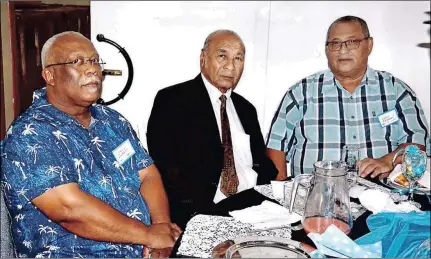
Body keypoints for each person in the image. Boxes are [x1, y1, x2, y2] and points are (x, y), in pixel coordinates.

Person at [0, 31, 181, 258]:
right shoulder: (28, 135)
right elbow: (70, 210)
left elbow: (147, 175)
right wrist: (148, 235)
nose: (92, 69)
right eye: (77, 61)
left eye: (95, 61)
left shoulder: (112, 120)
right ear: (50, 76)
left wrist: (162, 228)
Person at [266, 15, 429, 179]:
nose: (343, 50)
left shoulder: (396, 91)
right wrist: (280, 196)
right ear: (327, 49)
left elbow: (417, 144)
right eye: (335, 43)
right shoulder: (301, 93)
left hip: (383, 198)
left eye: (352, 42)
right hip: (314, 198)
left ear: (369, 45)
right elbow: (275, 146)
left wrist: (388, 161)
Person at [146, 29, 279, 228]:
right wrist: (207, 214)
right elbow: (167, 168)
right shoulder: (173, 99)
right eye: (222, 56)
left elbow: (261, 161)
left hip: (254, 205)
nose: (230, 66)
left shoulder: (246, 109)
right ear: (203, 58)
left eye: (238, 59)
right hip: (203, 209)